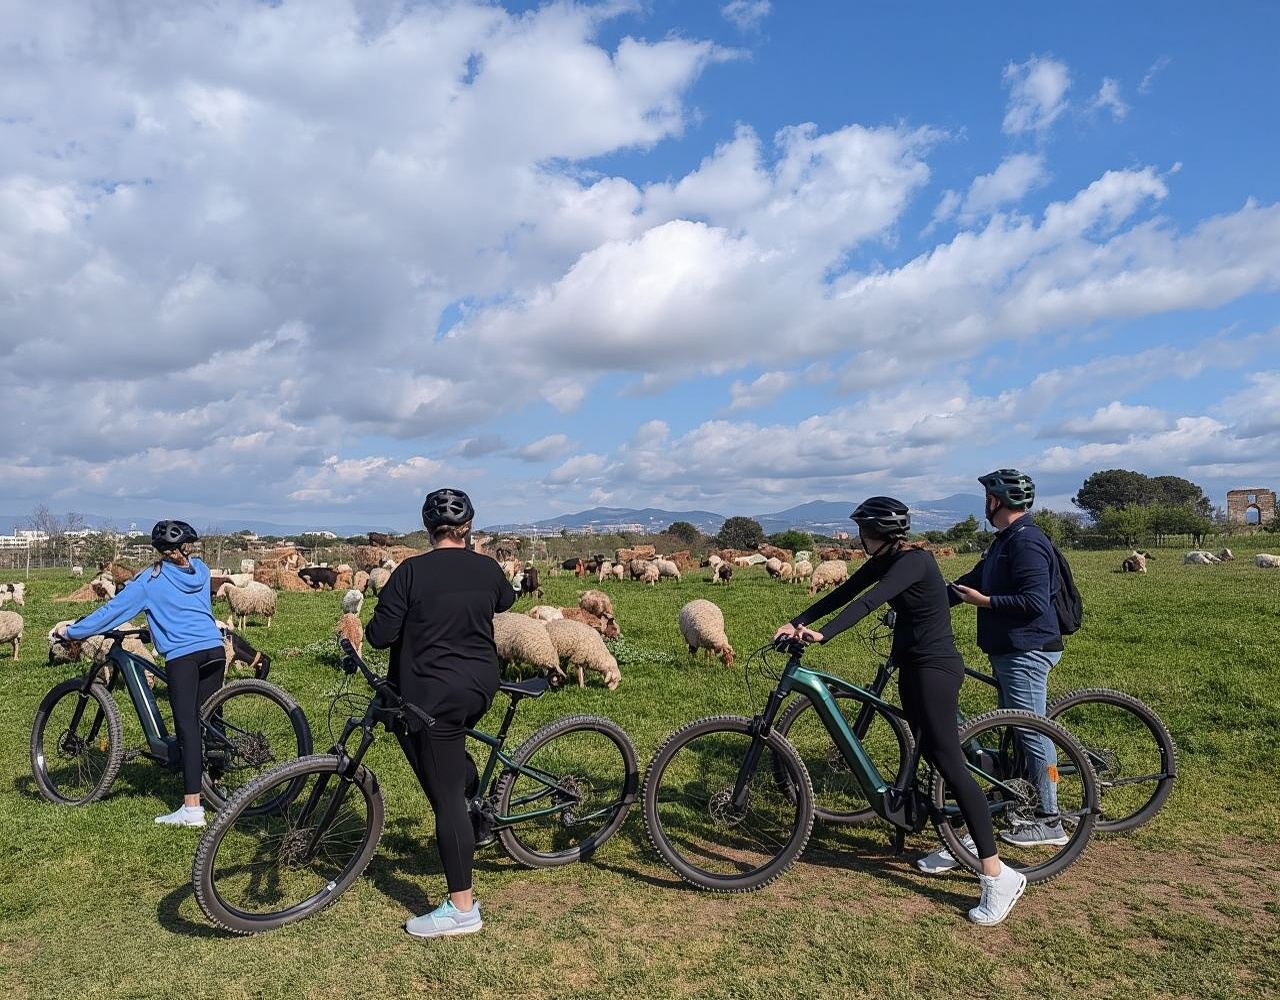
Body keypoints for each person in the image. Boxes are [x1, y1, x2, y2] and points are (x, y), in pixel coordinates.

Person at [774, 497, 1027, 926]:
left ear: (877, 532)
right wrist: (798, 620)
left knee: (948, 761)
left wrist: (823, 634)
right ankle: (962, 834)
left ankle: (998, 875)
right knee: (934, 757)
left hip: (934, 669)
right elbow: (846, 591)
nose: (859, 538)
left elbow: (868, 603)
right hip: (912, 668)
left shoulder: (913, 562)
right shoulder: (890, 557)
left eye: (862, 531)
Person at [365, 488, 516, 940]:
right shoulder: (487, 568)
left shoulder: (410, 572)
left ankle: (462, 908)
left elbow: (378, 636)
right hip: (479, 686)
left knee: (445, 795)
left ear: (428, 529)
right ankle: (471, 798)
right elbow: (504, 602)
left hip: (433, 695)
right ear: (467, 527)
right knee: (447, 762)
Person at [53, 520, 225, 828]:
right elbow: (191, 609)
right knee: (209, 719)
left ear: (157, 550)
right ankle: (217, 783)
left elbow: (112, 612)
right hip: (214, 649)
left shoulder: (150, 579)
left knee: (187, 726)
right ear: (187, 547)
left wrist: (73, 631)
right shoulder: (200, 569)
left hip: (184, 655)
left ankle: (192, 809)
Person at [936, 468, 1066, 856]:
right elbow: (968, 583)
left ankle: (1050, 819)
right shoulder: (1004, 542)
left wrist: (986, 602)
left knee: (1032, 733)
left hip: (1027, 650)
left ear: (996, 501)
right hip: (1010, 650)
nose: (984, 504)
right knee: (1019, 729)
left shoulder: (1026, 543)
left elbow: (1034, 601)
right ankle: (1023, 796)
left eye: (987, 498)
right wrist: (924, 603)